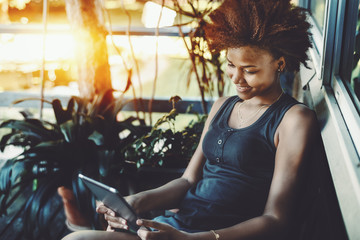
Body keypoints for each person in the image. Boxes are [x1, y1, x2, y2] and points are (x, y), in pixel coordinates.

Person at [63, 0, 317, 239]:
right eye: (230, 65)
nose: (236, 78)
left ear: (280, 64)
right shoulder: (222, 106)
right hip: (175, 227)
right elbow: (188, 180)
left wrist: (192, 239)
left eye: (249, 70)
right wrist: (134, 203)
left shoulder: (293, 119)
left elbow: (276, 218)